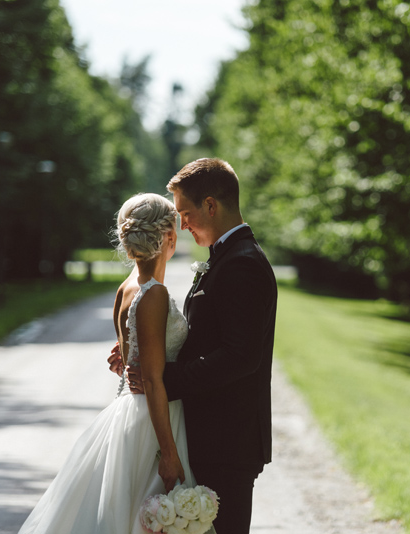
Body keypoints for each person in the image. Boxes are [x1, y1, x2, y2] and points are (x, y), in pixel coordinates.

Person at [18, 193, 206, 533]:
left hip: (130, 412)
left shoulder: (127, 287)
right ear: (170, 237)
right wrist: (168, 452)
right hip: (153, 418)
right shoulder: (154, 293)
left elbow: (134, 351)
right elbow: (150, 378)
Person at [124, 158, 277, 534]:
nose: (182, 224)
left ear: (211, 205)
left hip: (228, 439)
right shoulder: (225, 258)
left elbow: (240, 356)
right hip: (209, 435)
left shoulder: (242, 263)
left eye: (186, 213)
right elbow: (205, 336)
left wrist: (165, 378)